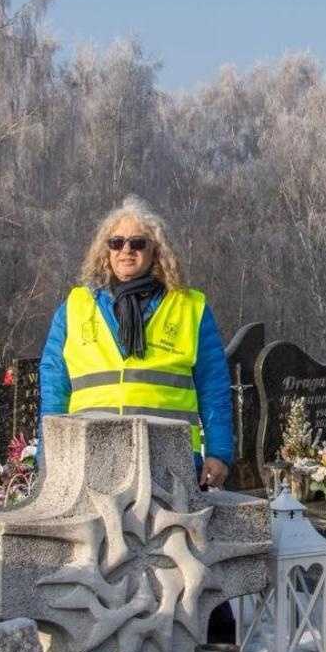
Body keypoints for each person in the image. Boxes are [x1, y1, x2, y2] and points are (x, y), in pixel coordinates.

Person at [39, 197, 234, 487]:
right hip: (91, 456)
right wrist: (48, 456)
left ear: (155, 249)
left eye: (137, 243)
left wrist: (219, 452)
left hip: (170, 458)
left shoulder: (190, 307)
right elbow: (55, 389)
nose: (126, 249)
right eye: (116, 242)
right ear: (105, 251)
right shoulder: (74, 307)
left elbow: (213, 386)